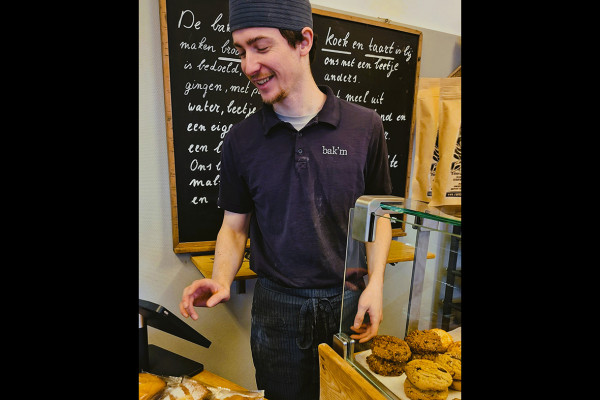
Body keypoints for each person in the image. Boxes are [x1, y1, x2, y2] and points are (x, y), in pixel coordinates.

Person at [180, 1, 392, 399]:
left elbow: (378, 215)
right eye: (241, 51)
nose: (247, 66)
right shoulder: (240, 140)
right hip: (276, 308)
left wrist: (377, 283)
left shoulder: (365, 126)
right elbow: (234, 224)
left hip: (348, 300)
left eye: (260, 47)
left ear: (303, 41)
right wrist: (222, 279)